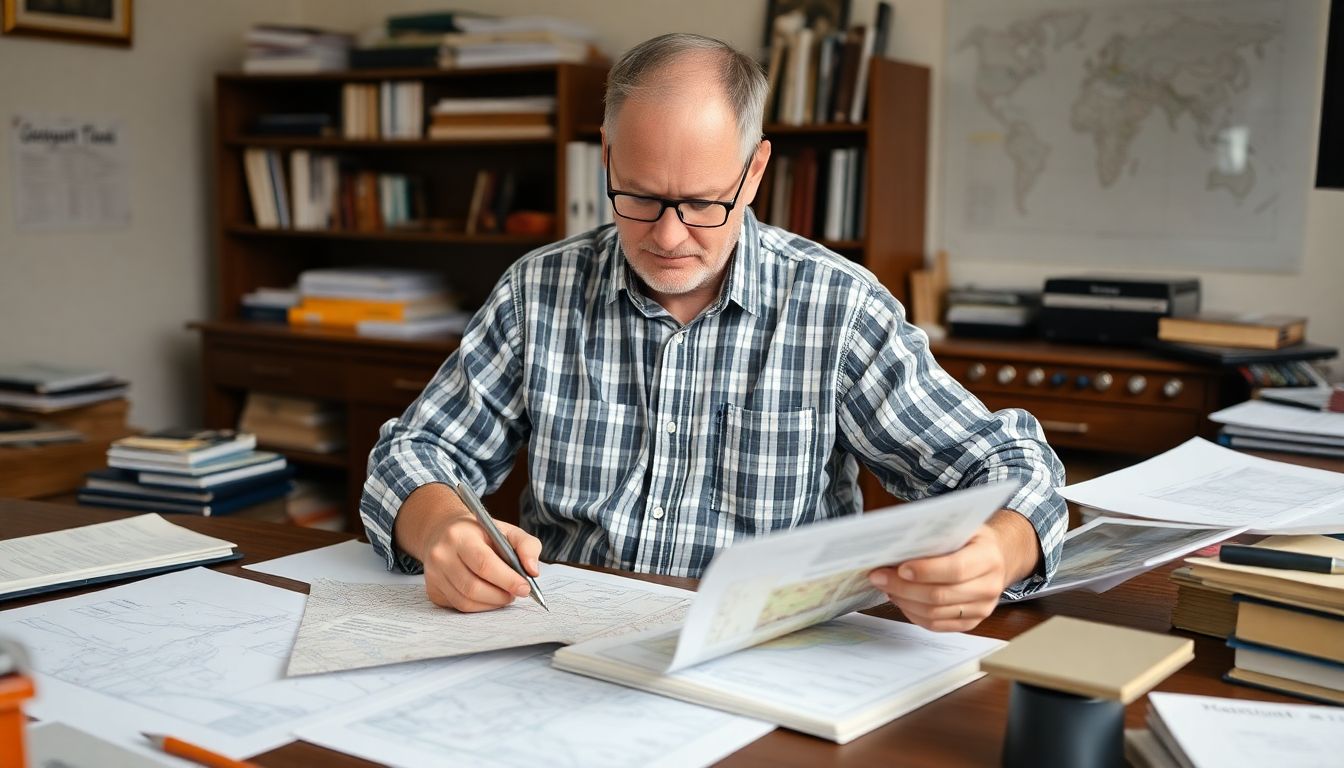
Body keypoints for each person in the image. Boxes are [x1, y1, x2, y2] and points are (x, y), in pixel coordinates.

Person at [361, 33, 1067, 632]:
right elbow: (415, 453)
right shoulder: (536, 293)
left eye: (701, 202)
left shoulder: (835, 307)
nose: (669, 237)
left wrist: (998, 552)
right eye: (638, 197)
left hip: (766, 657)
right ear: (606, 156)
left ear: (755, 170)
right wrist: (444, 533)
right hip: (563, 647)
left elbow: (1015, 470)